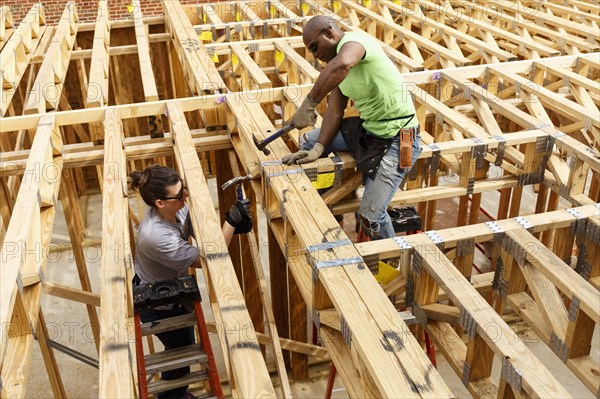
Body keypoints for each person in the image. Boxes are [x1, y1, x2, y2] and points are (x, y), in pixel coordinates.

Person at [283, 16, 422, 240]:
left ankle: (392, 259)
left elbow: (344, 63)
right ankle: (330, 211)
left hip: (399, 137)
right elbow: (335, 110)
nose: (315, 55)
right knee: (309, 142)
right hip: (369, 131)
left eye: (314, 47)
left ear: (329, 33)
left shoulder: (356, 44)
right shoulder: (337, 66)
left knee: (370, 217)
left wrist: (309, 102)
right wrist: (319, 147)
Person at [129, 164, 252, 399]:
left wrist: (230, 229)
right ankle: (171, 396)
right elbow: (207, 259)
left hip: (172, 287)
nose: (185, 195)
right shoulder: (155, 236)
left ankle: (177, 393)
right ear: (160, 203)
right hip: (157, 303)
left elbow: (203, 234)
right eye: (179, 194)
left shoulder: (176, 208)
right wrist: (232, 222)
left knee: (183, 346)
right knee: (181, 352)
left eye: (183, 189)